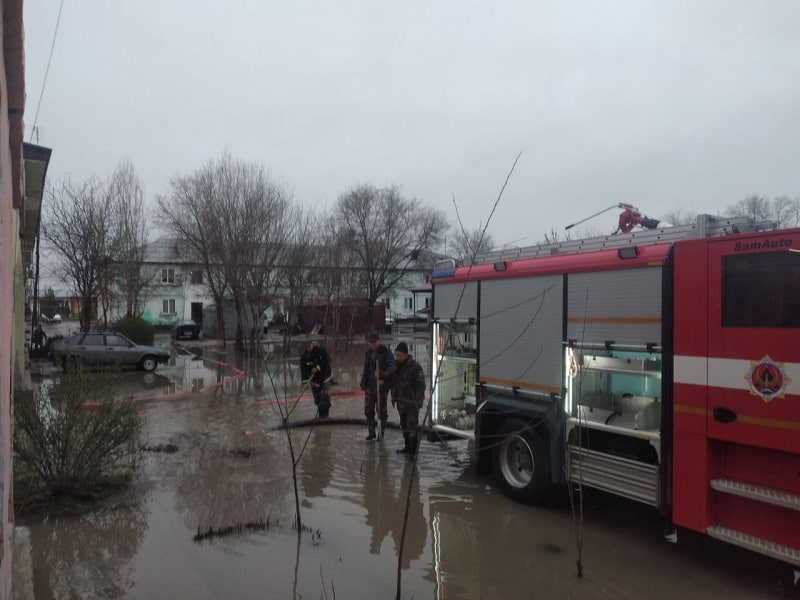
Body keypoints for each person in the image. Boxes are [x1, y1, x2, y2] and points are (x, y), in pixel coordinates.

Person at [381, 341, 426, 459]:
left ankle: (413, 452)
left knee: (412, 427)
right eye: (396, 355)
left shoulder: (415, 366)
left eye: (400, 355)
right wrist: (381, 375)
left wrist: (418, 401)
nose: (398, 358)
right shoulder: (396, 365)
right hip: (400, 401)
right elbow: (388, 375)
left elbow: (421, 385)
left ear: (406, 354)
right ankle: (407, 447)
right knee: (404, 425)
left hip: (411, 403)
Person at [360, 332, 393, 441]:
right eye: (371, 343)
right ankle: (371, 432)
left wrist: (384, 378)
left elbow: (392, 368)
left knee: (381, 411)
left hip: (381, 387)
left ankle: (381, 434)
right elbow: (366, 368)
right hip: (370, 386)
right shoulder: (368, 353)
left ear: (378, 341)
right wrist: (363, 383)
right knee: (368, 410)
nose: (373, 345)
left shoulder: (386, 352)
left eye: (374, 342)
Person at [299, 340, 332, 418]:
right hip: (314, 381)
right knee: (317, 398)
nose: (308, 348)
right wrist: (304, 383)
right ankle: (321, 415)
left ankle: (326, 416)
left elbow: (327, 360)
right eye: (307, 347)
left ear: (312, 345)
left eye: (309, 346)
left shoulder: (320, 351)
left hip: (325, 378)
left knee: (325, 398)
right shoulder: (304, 357)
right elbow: (304, 371)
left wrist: (317, 368)